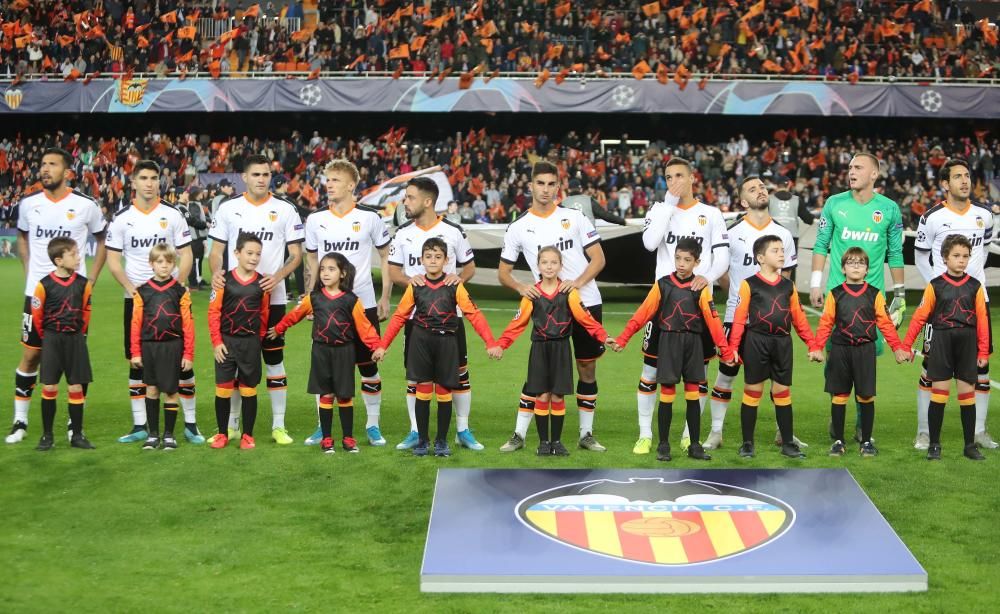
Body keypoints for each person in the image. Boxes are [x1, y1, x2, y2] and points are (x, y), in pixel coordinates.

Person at [499, 161, 608, 453]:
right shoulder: (519, 227)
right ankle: (519, 434)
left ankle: (586, 434)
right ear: (531, 186)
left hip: (586, 301)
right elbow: (503, 272)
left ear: (558, 187)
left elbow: (598, 259)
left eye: (551, 184)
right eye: (540, 183)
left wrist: (578, 281)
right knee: (539, 374)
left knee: (586, 368)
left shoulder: (575, 218)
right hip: (547, 307)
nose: (545, 190)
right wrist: (522, 287)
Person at [7, 148, 106, 445]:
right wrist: (28, 271)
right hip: (36, 294)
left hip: (73, 297)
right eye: (42, 164)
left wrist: (91, 281)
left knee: (75, 360)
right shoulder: (28, 204)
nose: (45, 169)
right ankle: (20, 421)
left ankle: (74, 426)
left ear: (67, 171)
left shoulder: (86, 205)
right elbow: (22, 237)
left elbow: (102, 239)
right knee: (31, 354)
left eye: (52, 164)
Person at [810, 153, 905, 445]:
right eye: (850, 167)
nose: (852, 171)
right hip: (837, 300)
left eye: (858, 167)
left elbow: (895, 252)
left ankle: (864, 425)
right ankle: (837, 412)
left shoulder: (889, 209)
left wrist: (899, 293)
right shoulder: (834, 204)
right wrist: (816, 283)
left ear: (874, 174)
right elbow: (822, 243)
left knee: (868, 361)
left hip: (871, 301)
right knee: (835, 359)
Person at [208, 155, 304, 445]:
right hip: (235, 297)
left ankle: (278, 426)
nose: (262, 179)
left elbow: (296, 255)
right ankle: (233, 426)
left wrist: (278, 276)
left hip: (270, 300)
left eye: (266, 174)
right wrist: (216, 274)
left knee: (274, 359)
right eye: (256, 174)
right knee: (233, 360)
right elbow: (216, 251)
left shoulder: (286, 209)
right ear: (245, 178)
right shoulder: (229, 208)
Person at [373, 238, 497, 457]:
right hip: (420, 341)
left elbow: (473, 314)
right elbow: (400, 316)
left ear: (446, 260)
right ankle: (422, 440)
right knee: (422, 390)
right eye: (428, 257)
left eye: (438, 257)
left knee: (443, 391)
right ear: (421, 260)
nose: (433, 260)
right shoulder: (416, 285)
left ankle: (441, 441)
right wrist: (383, 345)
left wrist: (490, 342)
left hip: (447, 341)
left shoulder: (454, 285)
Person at [105, 160, 200, 445]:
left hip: (171, 300)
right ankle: (140, 425)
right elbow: (113, 260)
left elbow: (186, 253)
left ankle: (191, 425)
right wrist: (132, 290)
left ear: (159, 182)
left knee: (184, 363)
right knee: (137, 364)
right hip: (137, 302)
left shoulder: (172, 214)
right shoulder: (122, 217)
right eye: (143, 178)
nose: (149, 183)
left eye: (154, 178)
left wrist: (179, 286)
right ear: (132, 182)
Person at [615, 238, 735, 462]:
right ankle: (663, 445)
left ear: (697, 262)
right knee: (667, 394)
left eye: (687, 260)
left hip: (693, 345)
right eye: (678, 258)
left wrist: (726, 352)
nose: (681, 263)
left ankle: (694, 445)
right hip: (668, 344)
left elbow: (713, 321)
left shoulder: (701, 288)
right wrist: (623, 338)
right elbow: (643, 313)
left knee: (693, 395)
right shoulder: (662, 284)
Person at [638, 158, 729, 452]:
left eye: (679, 175)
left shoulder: (711, 214)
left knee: (698, 374)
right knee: (651, 371)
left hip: (697, 306)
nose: (674, 180)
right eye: (668, 176)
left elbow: (722, 258)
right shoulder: (658, 210)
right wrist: (667, 204)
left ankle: (690, 434)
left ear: (693, 178)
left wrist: (708, 277)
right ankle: (646, 434)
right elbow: (650, 244)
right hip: (663, 305)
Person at [489, 247, 614, 456]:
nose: (549, 266)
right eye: (545, 262)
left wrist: (603, 336)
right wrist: (501, 344)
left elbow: (585, 319)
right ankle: (543, 443)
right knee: (542, 396)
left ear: (560, 266)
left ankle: (557, 442)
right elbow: (517, 324)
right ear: (538, 266)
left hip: (561, 348)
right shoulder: (532, 294)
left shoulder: (569, 293)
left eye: (554, 262)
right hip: (540, 348)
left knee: (557, 397)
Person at [387, 177, 483, 451]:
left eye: (410, 197)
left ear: (427, 201)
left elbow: (470, 268)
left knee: (460, 373)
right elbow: (394, 272)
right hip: (417, 320)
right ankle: (416, 431)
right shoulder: (403, 233)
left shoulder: (453, 231)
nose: (405, 202)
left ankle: (462, 430)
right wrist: (416, 282)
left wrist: (455, 282)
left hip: (450, 320)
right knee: (416, 377)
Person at [302, 160, 392, 447]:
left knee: (368, 366)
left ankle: (373, 425)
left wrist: (386, 295)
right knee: (324, 369)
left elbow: (385, 256)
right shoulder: (316, 219)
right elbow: (312, 260)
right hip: (327, 305)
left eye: (336, 180)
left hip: (362, 304)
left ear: (351, 185)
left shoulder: (370, 217)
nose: (329, 184)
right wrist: (309, 298)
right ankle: (322, 426)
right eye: (328, 180)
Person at [707, 176, 799, 451]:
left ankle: (784, 433)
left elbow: (787, 278)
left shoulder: (783, 233)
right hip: (738, 317)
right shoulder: (731, 232)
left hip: (772, 321)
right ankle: (716, 432)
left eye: (762, 187)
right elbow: (721, 272)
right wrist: (740, 295)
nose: (760, 191)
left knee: (778, 380)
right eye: (752, 189)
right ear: (743, 201)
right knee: (726, 374)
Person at [912, 159, 996, 450]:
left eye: (968, 175)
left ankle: (979, 432)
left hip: (977, 301)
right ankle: (924, 432)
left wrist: (971, 284)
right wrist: (940, 288)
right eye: (958, 176)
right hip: (942, 305)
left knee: (980, 369)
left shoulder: (984, 214)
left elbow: (983, 250)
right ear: (945, 184)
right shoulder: (932, 217)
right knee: (930, 369)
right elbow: (921, 256)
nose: (965, 180)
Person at [269, 252, 382, 454]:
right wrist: (278, 328)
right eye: (322, 269)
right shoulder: (313, 298)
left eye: (331, 269)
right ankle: (327, 439)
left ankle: (348, 439)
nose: (325, 273)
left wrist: (376, 346)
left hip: (345, 352)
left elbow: (364, 327)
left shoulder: (351, 300)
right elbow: (294, 316)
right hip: (321, 351)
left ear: (342, 273)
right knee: (326, 395)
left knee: (345, 396)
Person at [808, 247, 911, 457]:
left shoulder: (874, 294)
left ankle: (866, 442)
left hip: (865, 350)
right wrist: (817, 347)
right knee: (840, 396)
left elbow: (885, 324)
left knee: (865, 396)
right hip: (840, 350)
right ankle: (838, 441)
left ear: (867, 270)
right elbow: (826, 323)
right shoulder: (835, 294)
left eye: (860, 263)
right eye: (851, 262)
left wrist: (897, 348)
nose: (856, 266)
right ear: (843, 268)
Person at [901, 235, 991, 461]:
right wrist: (906, 345)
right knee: (939, 394)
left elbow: (982, 320)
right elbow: (919, 317)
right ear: (944, 258)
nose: (962, 260)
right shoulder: (935, 285)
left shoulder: (975, 286)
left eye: (966, 256)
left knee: (967, 395)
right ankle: (934, 445)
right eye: (956, 256)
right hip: (941, 341)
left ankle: (969, 446)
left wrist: (982, 351)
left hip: (967, 342)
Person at [728, 235, 815, 459]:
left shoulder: (788, 286)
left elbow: (799, 318)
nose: (781, 254)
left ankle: (787, 443)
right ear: (760, 257)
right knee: (753, 391)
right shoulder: (749, 284)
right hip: (756, 342)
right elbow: (739, 319)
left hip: (783, 343)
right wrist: (733, 347)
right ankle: (747, 443)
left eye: (782, 250)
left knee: (782, 392)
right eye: (775, 250)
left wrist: (812, 344)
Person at [129, 244, 196, 451]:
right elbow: (136, 323)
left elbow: (188, 324)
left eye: (168, 262)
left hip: (172, 346)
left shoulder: (180, 291)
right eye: (159, 262)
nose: (164, 266)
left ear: (173, 265)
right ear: (151, 264)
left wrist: (188, 354)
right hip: (149, 347)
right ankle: (153, 435)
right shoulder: (142, 291)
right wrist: (135, 352)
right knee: (151, 389)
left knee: (171, 391)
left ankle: (169, 435)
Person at [30, 237, 94, 451]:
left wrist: (77, 334)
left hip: (75, 339)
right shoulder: (43, 285)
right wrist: (49, 337)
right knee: (49, 387)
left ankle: (77, 435)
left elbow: (86, 313)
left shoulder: (83, 284)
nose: (78, 257)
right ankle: (47, 436)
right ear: (59, 260)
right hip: (52, 339)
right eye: (73, 254)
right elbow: (37, 317)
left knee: (76, 387)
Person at [207, 233, 270, 450]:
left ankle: (248, 435)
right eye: (249, 253)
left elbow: (264, 315)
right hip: (226, 343)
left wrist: (257, 341)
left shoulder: (263, 283)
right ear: (237, 253)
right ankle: (222, 434)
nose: (254, 258)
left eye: (258, 254)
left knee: (248, 389)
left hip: (250, 345)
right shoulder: (224, 281)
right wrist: (217, 342)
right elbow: (213, 313)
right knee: (223, 390)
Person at [767, 174, 814, 280]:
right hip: (791, 238)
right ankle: (789, 293)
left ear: (776, 186)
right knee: (789, 267)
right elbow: (808, 219)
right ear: (789, 185)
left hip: (772, 238)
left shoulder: (769, 200)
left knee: (770, 266)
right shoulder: (796, 200)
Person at [177, 187, 209, 289]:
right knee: (194, 260)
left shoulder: (184, 206)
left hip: (190, 237)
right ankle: (194, 283)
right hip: (192, 237)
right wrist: (205, 224)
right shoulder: (181, 207)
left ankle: (196, 280)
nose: (188, 195)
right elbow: (191, 220)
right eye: (186, 193)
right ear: (180, 195)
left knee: (195, 259)